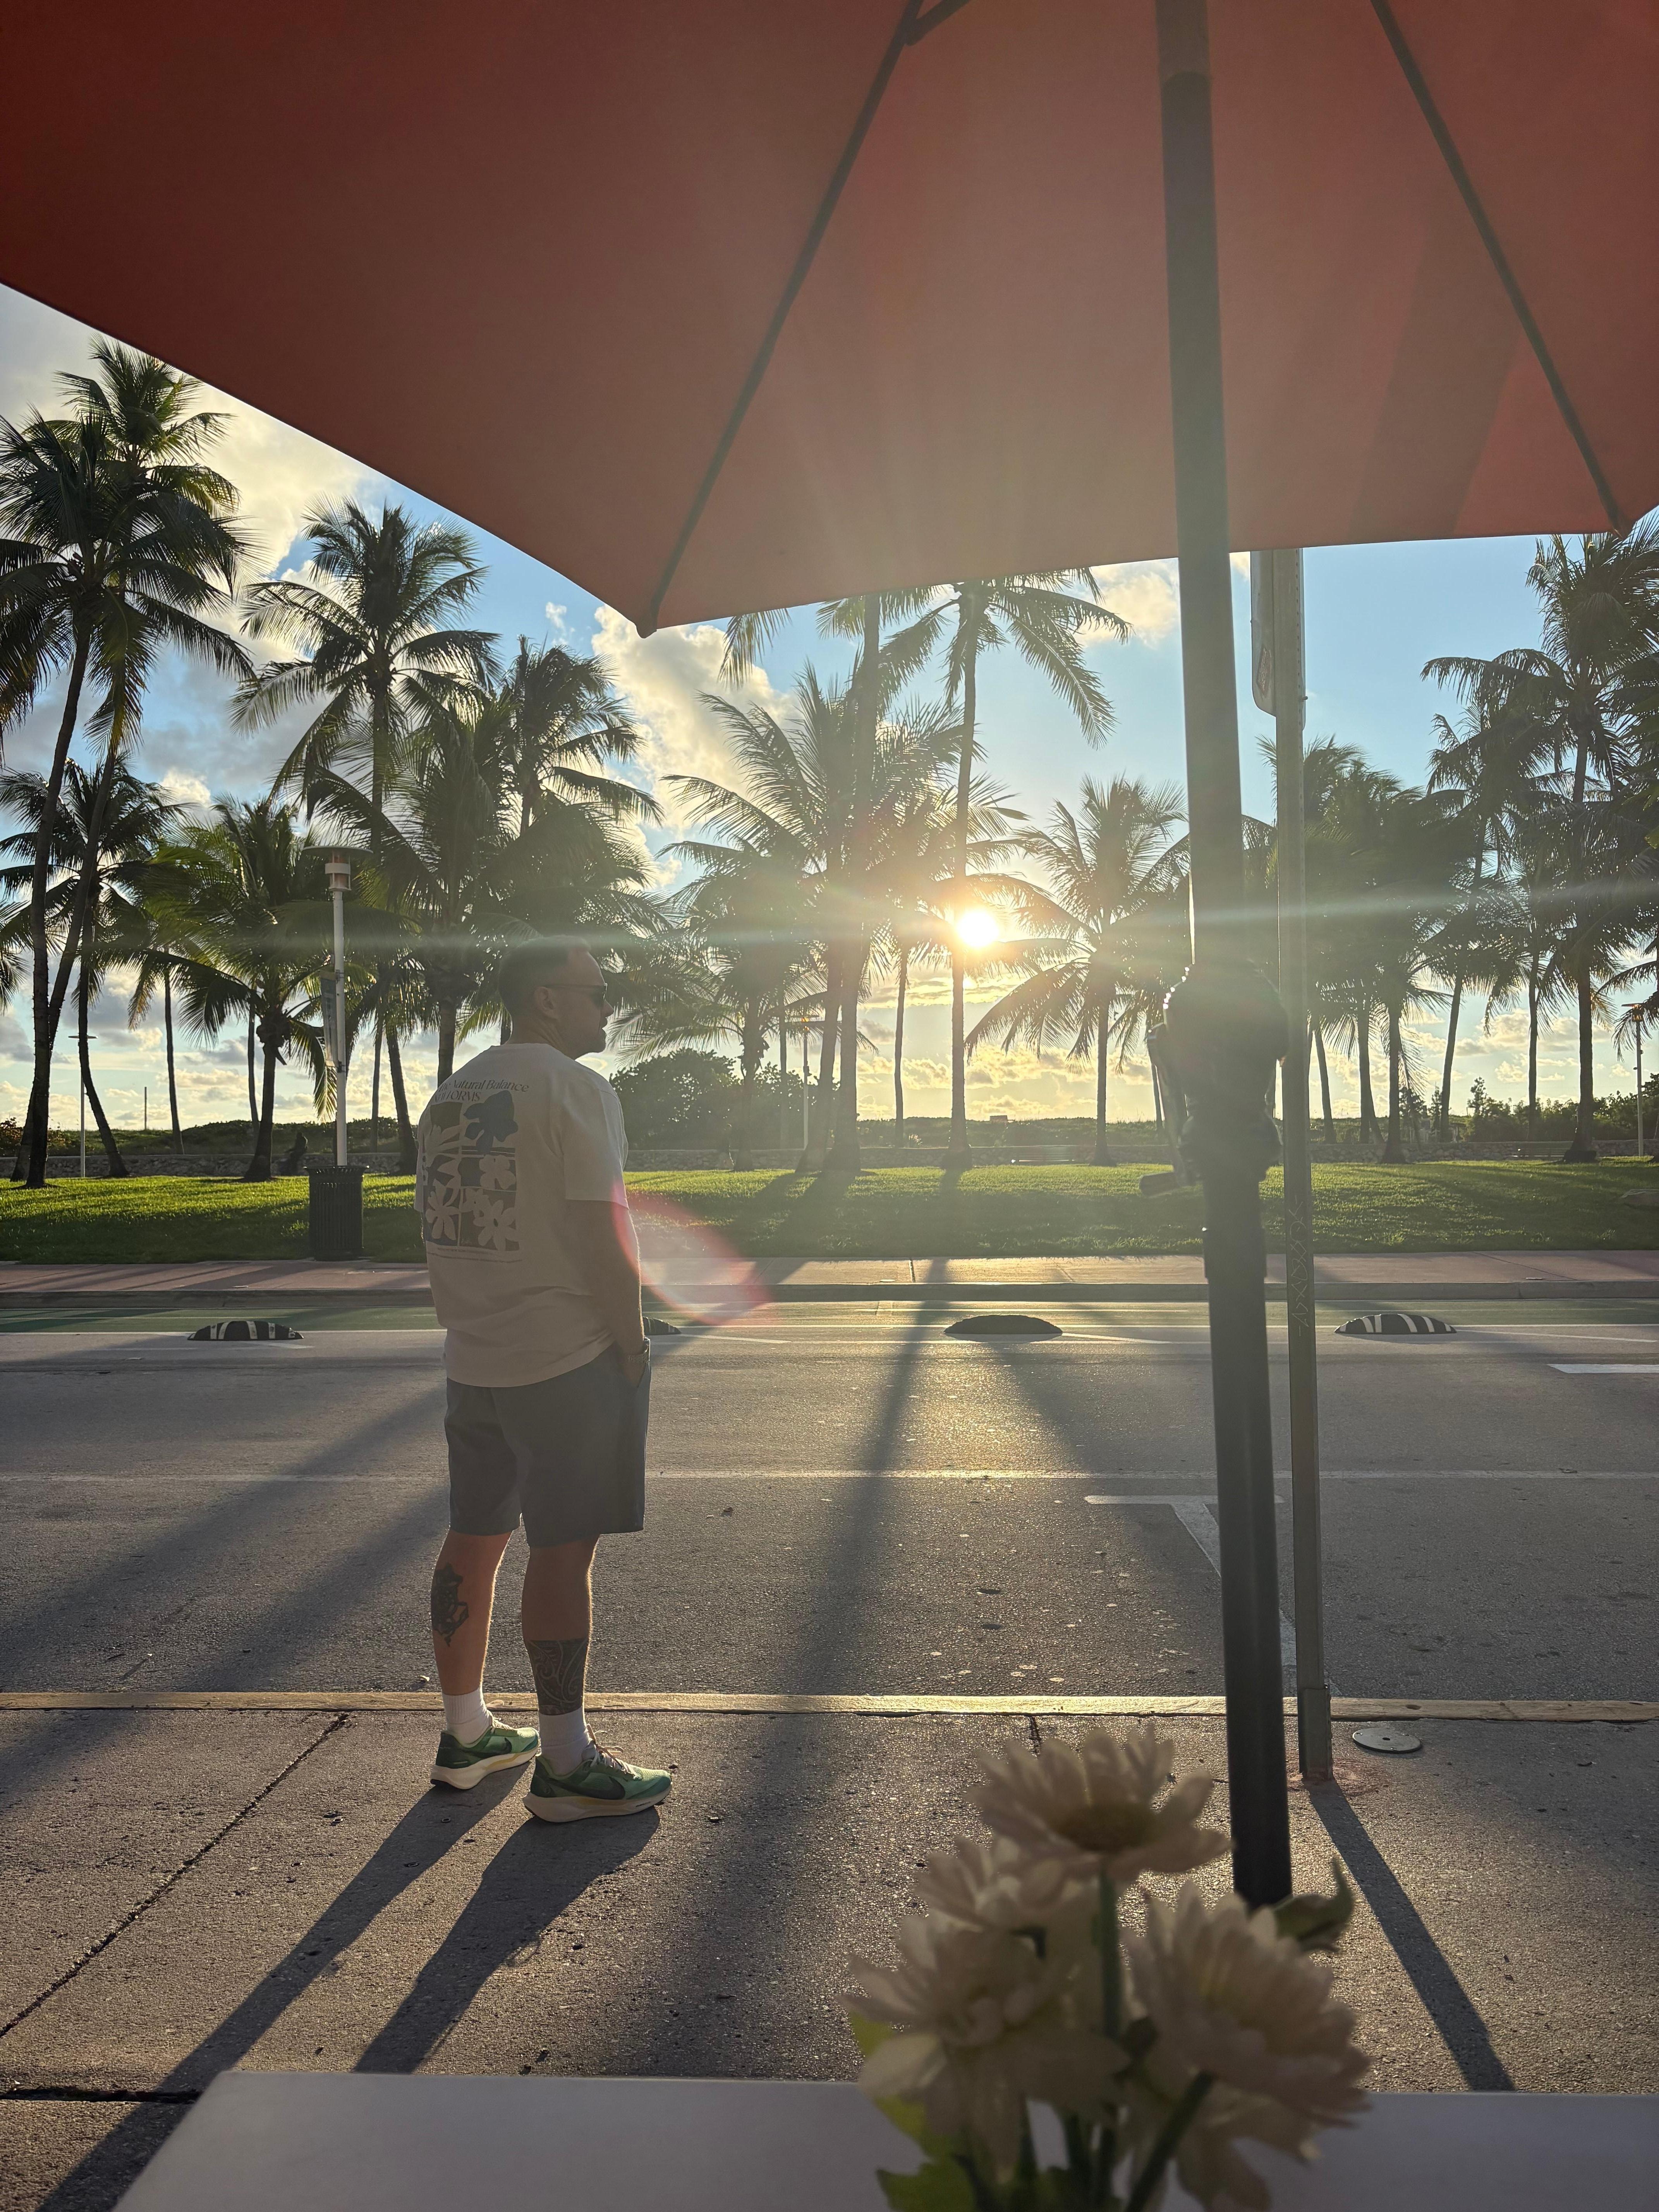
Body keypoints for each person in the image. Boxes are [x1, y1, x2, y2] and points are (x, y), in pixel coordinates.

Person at [413, 938, 670, 1822]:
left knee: (473, 1539)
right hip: (566, 1356)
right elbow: (604, 1233)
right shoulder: (575, 1089)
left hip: (473, 1355)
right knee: (564, 1550)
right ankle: (565, 1762)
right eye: (599, 992)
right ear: (546, 999)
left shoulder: (455, 1091)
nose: (610, 1007)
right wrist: (632, 1346)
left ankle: (467, 1731)